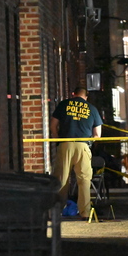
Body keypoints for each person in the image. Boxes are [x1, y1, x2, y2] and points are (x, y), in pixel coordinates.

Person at [51, 87, 103, 218]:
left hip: (65, 144)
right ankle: (85, 212)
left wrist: (58, 139)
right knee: (84, 179)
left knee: (61, 179)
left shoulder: (64, 104)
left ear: (72, 94)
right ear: (86, 96)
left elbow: (53, 125)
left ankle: (57, 211)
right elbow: (97, 134)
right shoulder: (92, 109)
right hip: (83, 146)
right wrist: (90, 144)